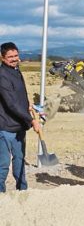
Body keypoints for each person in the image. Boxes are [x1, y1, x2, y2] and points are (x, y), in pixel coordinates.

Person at [0, 42, 40, 192]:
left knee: (20, 161)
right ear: (2, 58)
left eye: (16, 55)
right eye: (10, 57)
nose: (14, 59)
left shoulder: (17, 71)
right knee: (3, 164)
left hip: (19, 127)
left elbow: (20, 96)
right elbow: (11, 104)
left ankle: (23, 192)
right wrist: (31, 120)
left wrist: (28, 105)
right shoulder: (2, 75)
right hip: (5, 127)